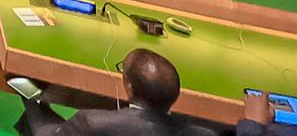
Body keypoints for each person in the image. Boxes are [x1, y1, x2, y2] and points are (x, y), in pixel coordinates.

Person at [13, 47, 201, 136]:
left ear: (129, 87)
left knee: (32, 120)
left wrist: (34, 100)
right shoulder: (203, 134)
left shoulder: (92, 123)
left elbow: (46, 134)